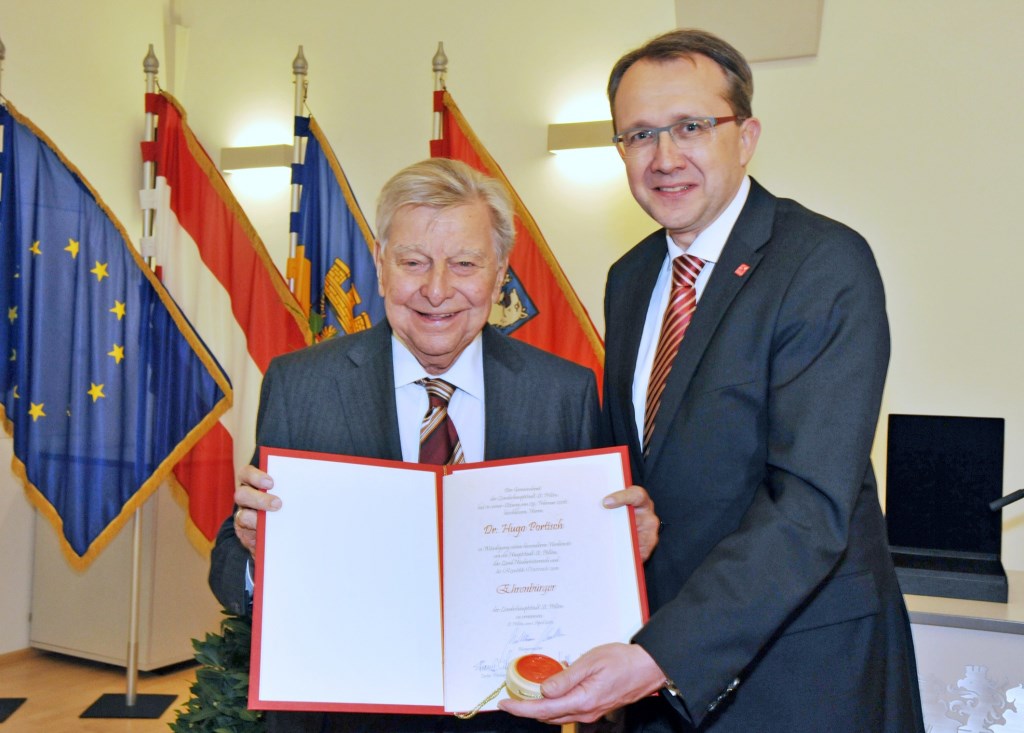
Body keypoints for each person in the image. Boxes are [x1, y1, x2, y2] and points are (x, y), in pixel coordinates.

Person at [500, 29, 925, 732]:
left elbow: (808, 508)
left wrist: (660, 654)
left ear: (746, 135)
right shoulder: (630, 279)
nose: (664, 157)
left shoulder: (823, 264)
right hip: (666, 683)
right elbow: (651, 470)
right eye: (638, 135)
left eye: (691, 127)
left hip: (803, 677)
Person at [208, 157, 659, 733]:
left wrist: (617, 551)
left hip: (504, 719)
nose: (437, 290)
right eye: (413, 262)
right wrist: (256, 554)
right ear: (380, 265)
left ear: (500, 277)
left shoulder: (561, 392)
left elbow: (578, 579)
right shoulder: (302, 383)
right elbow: (229, 568)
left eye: (465, 264)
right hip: (339, 717)